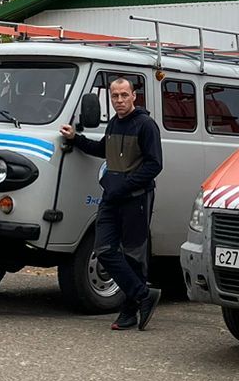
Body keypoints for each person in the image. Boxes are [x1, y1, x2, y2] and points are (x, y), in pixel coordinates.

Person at [58, 78, 164, 330]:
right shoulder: (114, 123)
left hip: (136, 199)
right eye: (115, 96)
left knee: (133, 256)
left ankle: (128, 313)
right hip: (111, 200)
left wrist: (123, 185)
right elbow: (103, 150)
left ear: (134, 97)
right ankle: (143, 295)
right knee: (104, 250)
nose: (119, 100)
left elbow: (154, 165)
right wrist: (76, 139)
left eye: (124, 95)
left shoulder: (146, 125)